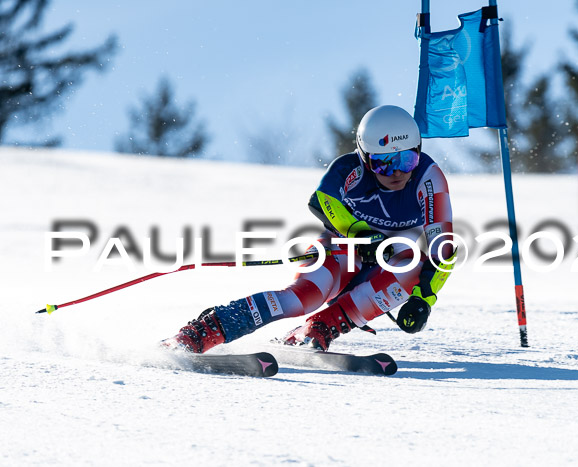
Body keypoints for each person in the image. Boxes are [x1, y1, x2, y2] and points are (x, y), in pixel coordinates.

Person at [162, 105, 456, 353]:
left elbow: (442, 249)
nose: (398, 172)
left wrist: (423, 300)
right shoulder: (348, 170)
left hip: (387, 263)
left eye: (407, 158)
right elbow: (322, 200)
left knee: (411, 258)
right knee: (301, 298)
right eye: (384, 163)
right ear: (365, 158)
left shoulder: (428, 179)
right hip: (342, 250)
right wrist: (359, 235)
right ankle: (204, 330)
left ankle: (319, 328)